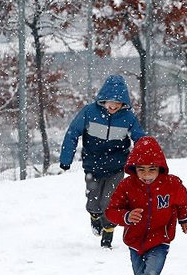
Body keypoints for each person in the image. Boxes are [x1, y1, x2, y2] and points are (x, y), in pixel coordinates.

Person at [105, 136, 187, 275]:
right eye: (141, 170)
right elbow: (111, 211)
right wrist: (126, 216)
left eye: (152, 169)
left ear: (160, 168)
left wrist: (184, 220)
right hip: (135, 241)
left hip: (160, 240)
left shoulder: (171, 184)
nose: (146, 175)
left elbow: (181, 201)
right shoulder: (127, 186)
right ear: (134, 168)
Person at [59, 75, 145, 249]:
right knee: (93, 201)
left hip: (116, 166)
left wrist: (144, 161)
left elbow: (141, 139)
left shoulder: (128, 117)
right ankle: (94, 216)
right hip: (92, 165)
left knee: (111, 201)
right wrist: (66, 159)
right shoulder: (89, 112)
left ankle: (108, 233)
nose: (113, 107)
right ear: (103, 100)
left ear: (124, 104)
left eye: (118, 104)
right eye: (110, 104)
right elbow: (72, 133)